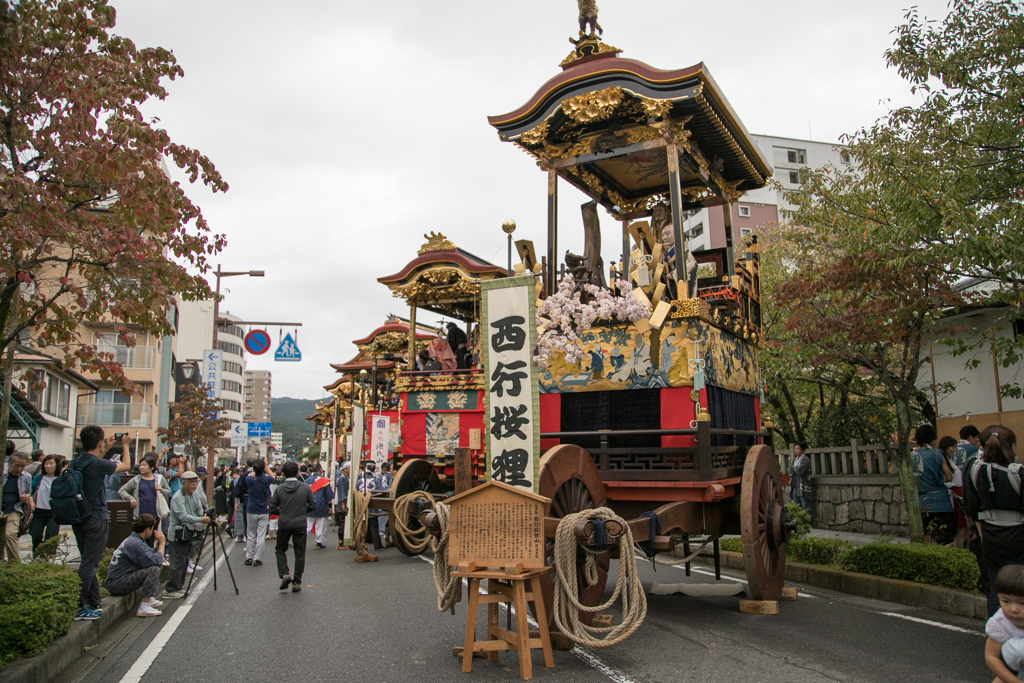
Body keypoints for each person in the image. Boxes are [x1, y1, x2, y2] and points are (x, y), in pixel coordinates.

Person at [70, 427, 131, 620]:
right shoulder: (99, 465)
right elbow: (126, 465)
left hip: (78, 517)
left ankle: (94, 603)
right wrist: (125, 446)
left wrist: (105, 448)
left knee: (87, 561)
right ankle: (80, 607)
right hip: (96, 518)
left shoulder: (75, 462)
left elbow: (93, 462)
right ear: (98, 443)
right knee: (89, 564)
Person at [965, 425, 1023, 617]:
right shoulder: (1018, 472)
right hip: (1018, 535)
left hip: (990, 534)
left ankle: (996, 635)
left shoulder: (975, 470)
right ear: (1012, 446)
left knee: (995, 588)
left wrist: (982, 533)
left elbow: (971, 507)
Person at [105, 514, 166, 618]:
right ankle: (144, 606)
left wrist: (157, 549)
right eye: (152, 529)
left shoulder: (134, 539)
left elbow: (148, 555)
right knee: (153, 569)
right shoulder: (135, 543)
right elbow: (155, 561)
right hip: (117, 583)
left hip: (119, 579)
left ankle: (150, 598)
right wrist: (162, 544)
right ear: (147, 530)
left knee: (151, 566)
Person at [163, 471, 209, 599]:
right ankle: (170, 589)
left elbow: (199, 510)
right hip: (178, 533)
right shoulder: (178, 497)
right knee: (177, 562)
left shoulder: (194, 495)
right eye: (191, 482)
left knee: (184, 561)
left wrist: (203, 516)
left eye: (196, 481)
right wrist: (200, 520)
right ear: (183, 484)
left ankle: (179, 586)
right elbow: (182, 516)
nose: (194, 484)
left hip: (188, 533)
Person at [270, 461, 315, 593]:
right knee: (300, 553)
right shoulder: (305, 487)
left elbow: (272, 508)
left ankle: (285, 574)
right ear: (297, 472)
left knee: (280, 549)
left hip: (284, 522)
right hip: (300, 522)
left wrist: (282, 512)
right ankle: (296, 582)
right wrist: (301, 511)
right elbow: (312, 505)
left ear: (283, 473)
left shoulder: (279, 489)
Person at [910, 424, 955, 544]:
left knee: (928, 534)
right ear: (933, 439)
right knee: (946, 534)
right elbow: (949, 476)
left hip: (922, 500)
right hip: (940, 500)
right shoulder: (936, 454)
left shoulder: (912, 455)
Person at [985, 565, 1024, 682]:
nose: (1013, 609)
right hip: (1014, 672)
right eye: (1006, 601)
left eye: (1022, 603)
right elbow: (992, 656)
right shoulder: (1000, 623)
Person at [1, 451, 33, 562]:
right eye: (17, 465)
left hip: (14, 509)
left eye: (23, 466)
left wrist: (26, 498)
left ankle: (14, 563)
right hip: (1, 508)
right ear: (9, 464)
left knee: (10, 534)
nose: (20, 468)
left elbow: (28, 492)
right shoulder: (2, 473)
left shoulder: (26, 477)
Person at [119, 455, 171, 523]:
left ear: (151, 467)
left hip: (155, 513)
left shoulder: (159, 479)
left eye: (144, 465)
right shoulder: (136, 480)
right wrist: (130, 498)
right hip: (140, 513)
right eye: (140, 465)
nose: (141, 467)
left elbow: (168, 491)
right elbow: (122, 490)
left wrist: (161, 489)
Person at [243, 459, 274, 567]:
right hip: (263, 509)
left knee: (251, 534)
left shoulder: (249, 479)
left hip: (251, 509)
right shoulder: (266, 479)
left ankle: (248, 557)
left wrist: (255, 470)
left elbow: (250, 474)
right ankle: (257, 559)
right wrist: (266, 466)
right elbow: (273, 476)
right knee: (261, 535)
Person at [29, 454, 63, 552]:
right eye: (46, 463)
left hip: (54, 511)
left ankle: (48, 557)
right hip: (39, 510)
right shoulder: (39, 477)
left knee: (51, 536)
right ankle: (37, 554)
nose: (48, 466)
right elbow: (30, 490)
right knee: (35, 534)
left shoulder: (60, 479)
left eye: (51, 463)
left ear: (57, 465)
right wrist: (31, 501)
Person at [305, 464, 333, 550]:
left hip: (309, 505)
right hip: (321, 505)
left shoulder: (307, 480)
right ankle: (319, 543)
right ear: (320, 470)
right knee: (320, 525)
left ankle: (301, 540)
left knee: (307, 525)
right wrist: (330, 506)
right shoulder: (324, 481)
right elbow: (328, 496)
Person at [788, 443, 812, 520]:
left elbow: (799, 471)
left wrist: (794, 467)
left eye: (798, 449)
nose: (796, 451)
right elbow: (789, 471)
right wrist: (794, 468)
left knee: (805, 505)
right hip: (795, 485)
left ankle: (808, 523)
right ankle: (799, 522)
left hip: (803, 485)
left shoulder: (806, 460)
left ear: (803, 451)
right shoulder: (795, 460)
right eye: (795, 449)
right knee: (796, 505)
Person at [375, 462, 393, 548]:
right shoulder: (391, 477)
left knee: (386, 516)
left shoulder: (381, 476)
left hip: (382, 495)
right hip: (390, 496)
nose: (391, 470)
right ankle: (388, 534)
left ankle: (386, 534)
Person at [335, 461, 350, 550]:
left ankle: (345, 539)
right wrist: (342, 503)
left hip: (346, 501)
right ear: (344, 469)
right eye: (348, 467)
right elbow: (341, 492)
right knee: (343, 522)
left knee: (346, 522)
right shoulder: (342, 478)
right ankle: (341, 541)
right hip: (343, 502)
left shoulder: (347, 478)